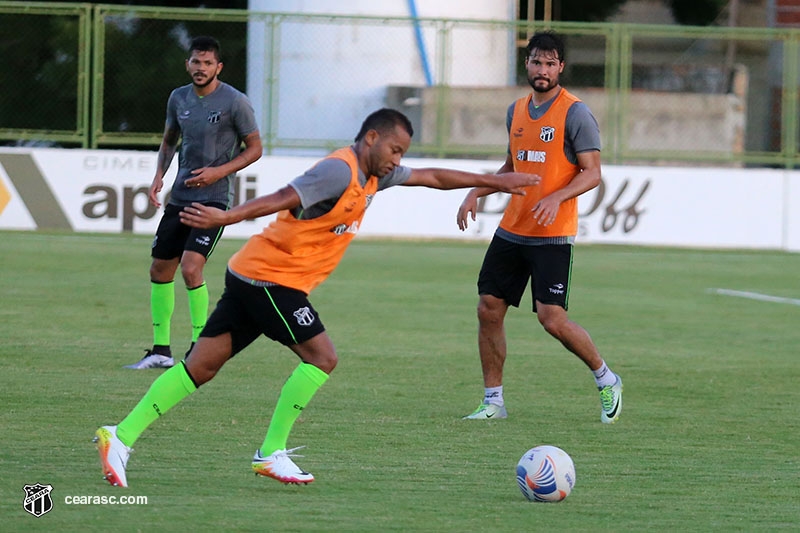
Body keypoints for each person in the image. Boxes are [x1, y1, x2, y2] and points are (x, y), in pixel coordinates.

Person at [94, 108, 541, 487]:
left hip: (250, 274)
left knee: (200, 368)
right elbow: (283, 197)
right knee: (322, 357)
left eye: (401, 153)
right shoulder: (339, 169)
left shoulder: (372, 175)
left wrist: (493, 182)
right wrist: (226, 215)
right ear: (371, 138)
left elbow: (431, 175)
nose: (398, 160)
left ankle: (121, 434)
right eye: (395, 150)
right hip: (272, 281)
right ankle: (271, 451)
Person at [457, 31, 623, 423]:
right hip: (512, 230)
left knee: (551, 319)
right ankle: (493, 402)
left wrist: (556, 196)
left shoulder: (576, 113)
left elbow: (592, 173)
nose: (542, 70)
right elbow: (512, 167)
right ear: (527, 64)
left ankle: (606, 378)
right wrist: (476, 193)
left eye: (550, 63)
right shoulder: (515, 110)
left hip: (552, 235)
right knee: (488, 309)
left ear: (561, 67)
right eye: (536, 61)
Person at [125, 36, 262, 370]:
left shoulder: (235, 102)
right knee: (160, 269)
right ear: (188, 64)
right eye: (195, 62)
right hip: (180, 198)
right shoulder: (178, 98)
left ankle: (199, 348)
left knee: (190, 268)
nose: (201, 69)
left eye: (207, 63)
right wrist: (159, 175)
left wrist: (219, 172)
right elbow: (170, 140)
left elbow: (255, 148)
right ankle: (160, 350)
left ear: (218, 67)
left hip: (213, 200)